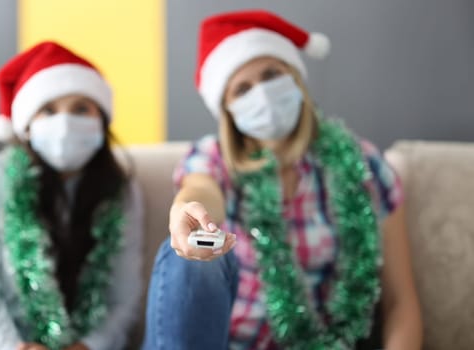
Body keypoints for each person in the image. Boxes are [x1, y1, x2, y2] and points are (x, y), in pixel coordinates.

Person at [143, 10, 422, 350]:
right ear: (228, 109)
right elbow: (200, 187)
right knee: (186, 258)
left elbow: (400, 303)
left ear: (295, 79)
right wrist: (189, 210)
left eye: (271, 75)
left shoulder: (363, 164)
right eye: (242, 88)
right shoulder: (212, 157)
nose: (260, 94)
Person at [0, 41, 143, 350]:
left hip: (73, 341)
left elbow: (123, 300)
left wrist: (89, 345)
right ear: (26, 126)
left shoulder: (120, 190)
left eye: (81, 108)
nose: (65, 123)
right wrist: (11, 345)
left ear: (102, 121)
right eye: (48, 110)